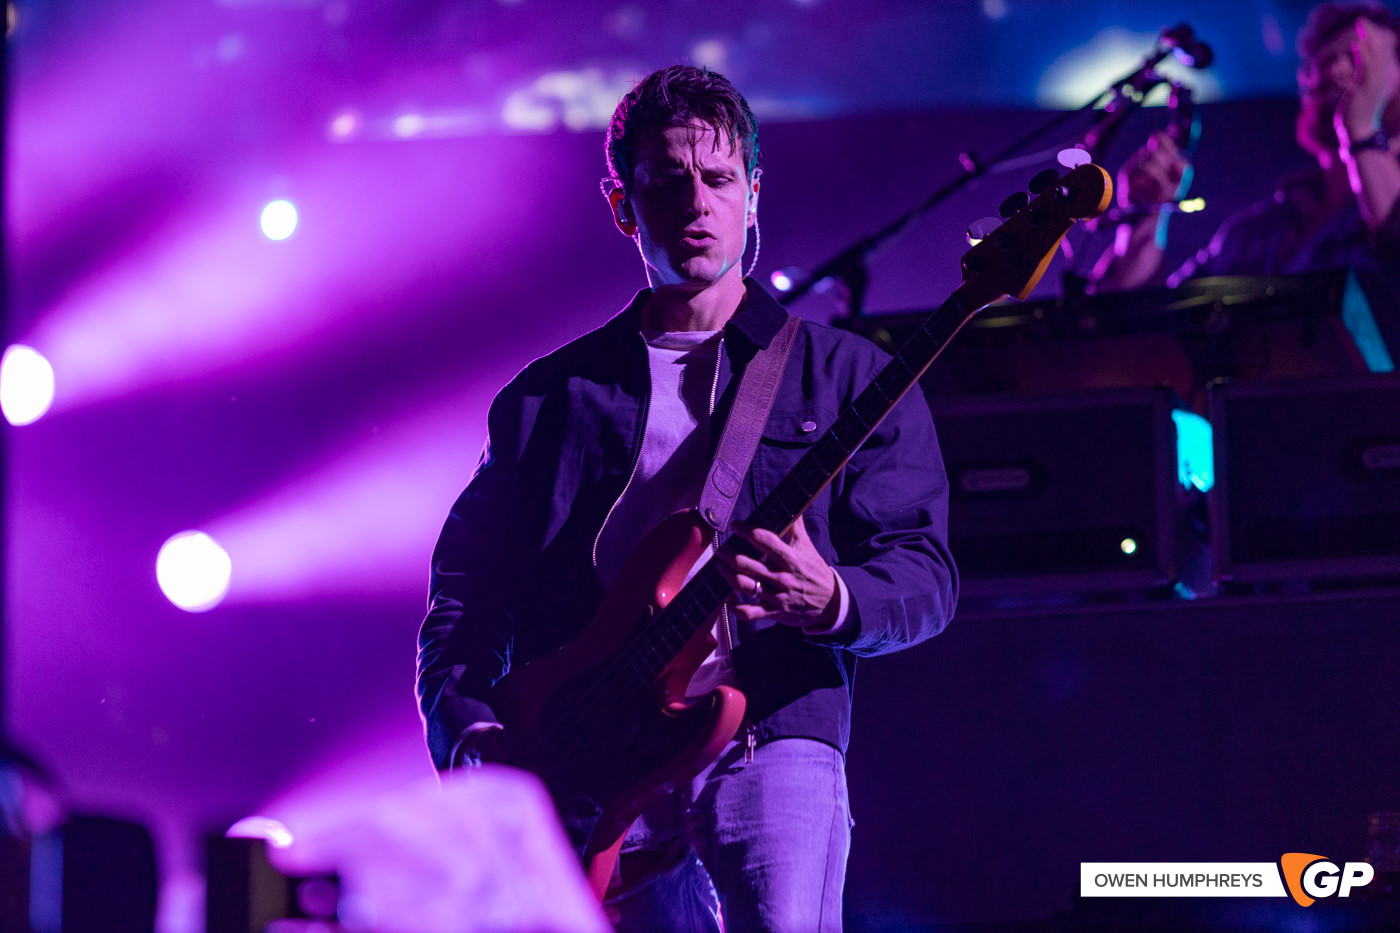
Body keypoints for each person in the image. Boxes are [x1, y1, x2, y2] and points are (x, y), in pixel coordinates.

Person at [415, 65, 957, 932]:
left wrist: (834, 598)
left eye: (717, 179)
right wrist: (472, 732)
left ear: (752, 195)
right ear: (623, 204)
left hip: (767, 733)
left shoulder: (848, 376)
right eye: (667, 183)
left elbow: (926, 576)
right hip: (596, 754)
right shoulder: (548, 398)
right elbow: (467, 595)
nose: (696, 204)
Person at [1091, 0, 1400, 337]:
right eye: (1324, 60)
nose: (1337, 69)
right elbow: (1146, 331)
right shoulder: (1256, 233)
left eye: (1360, 58)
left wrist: (1361, 130)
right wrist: (1145, 218)